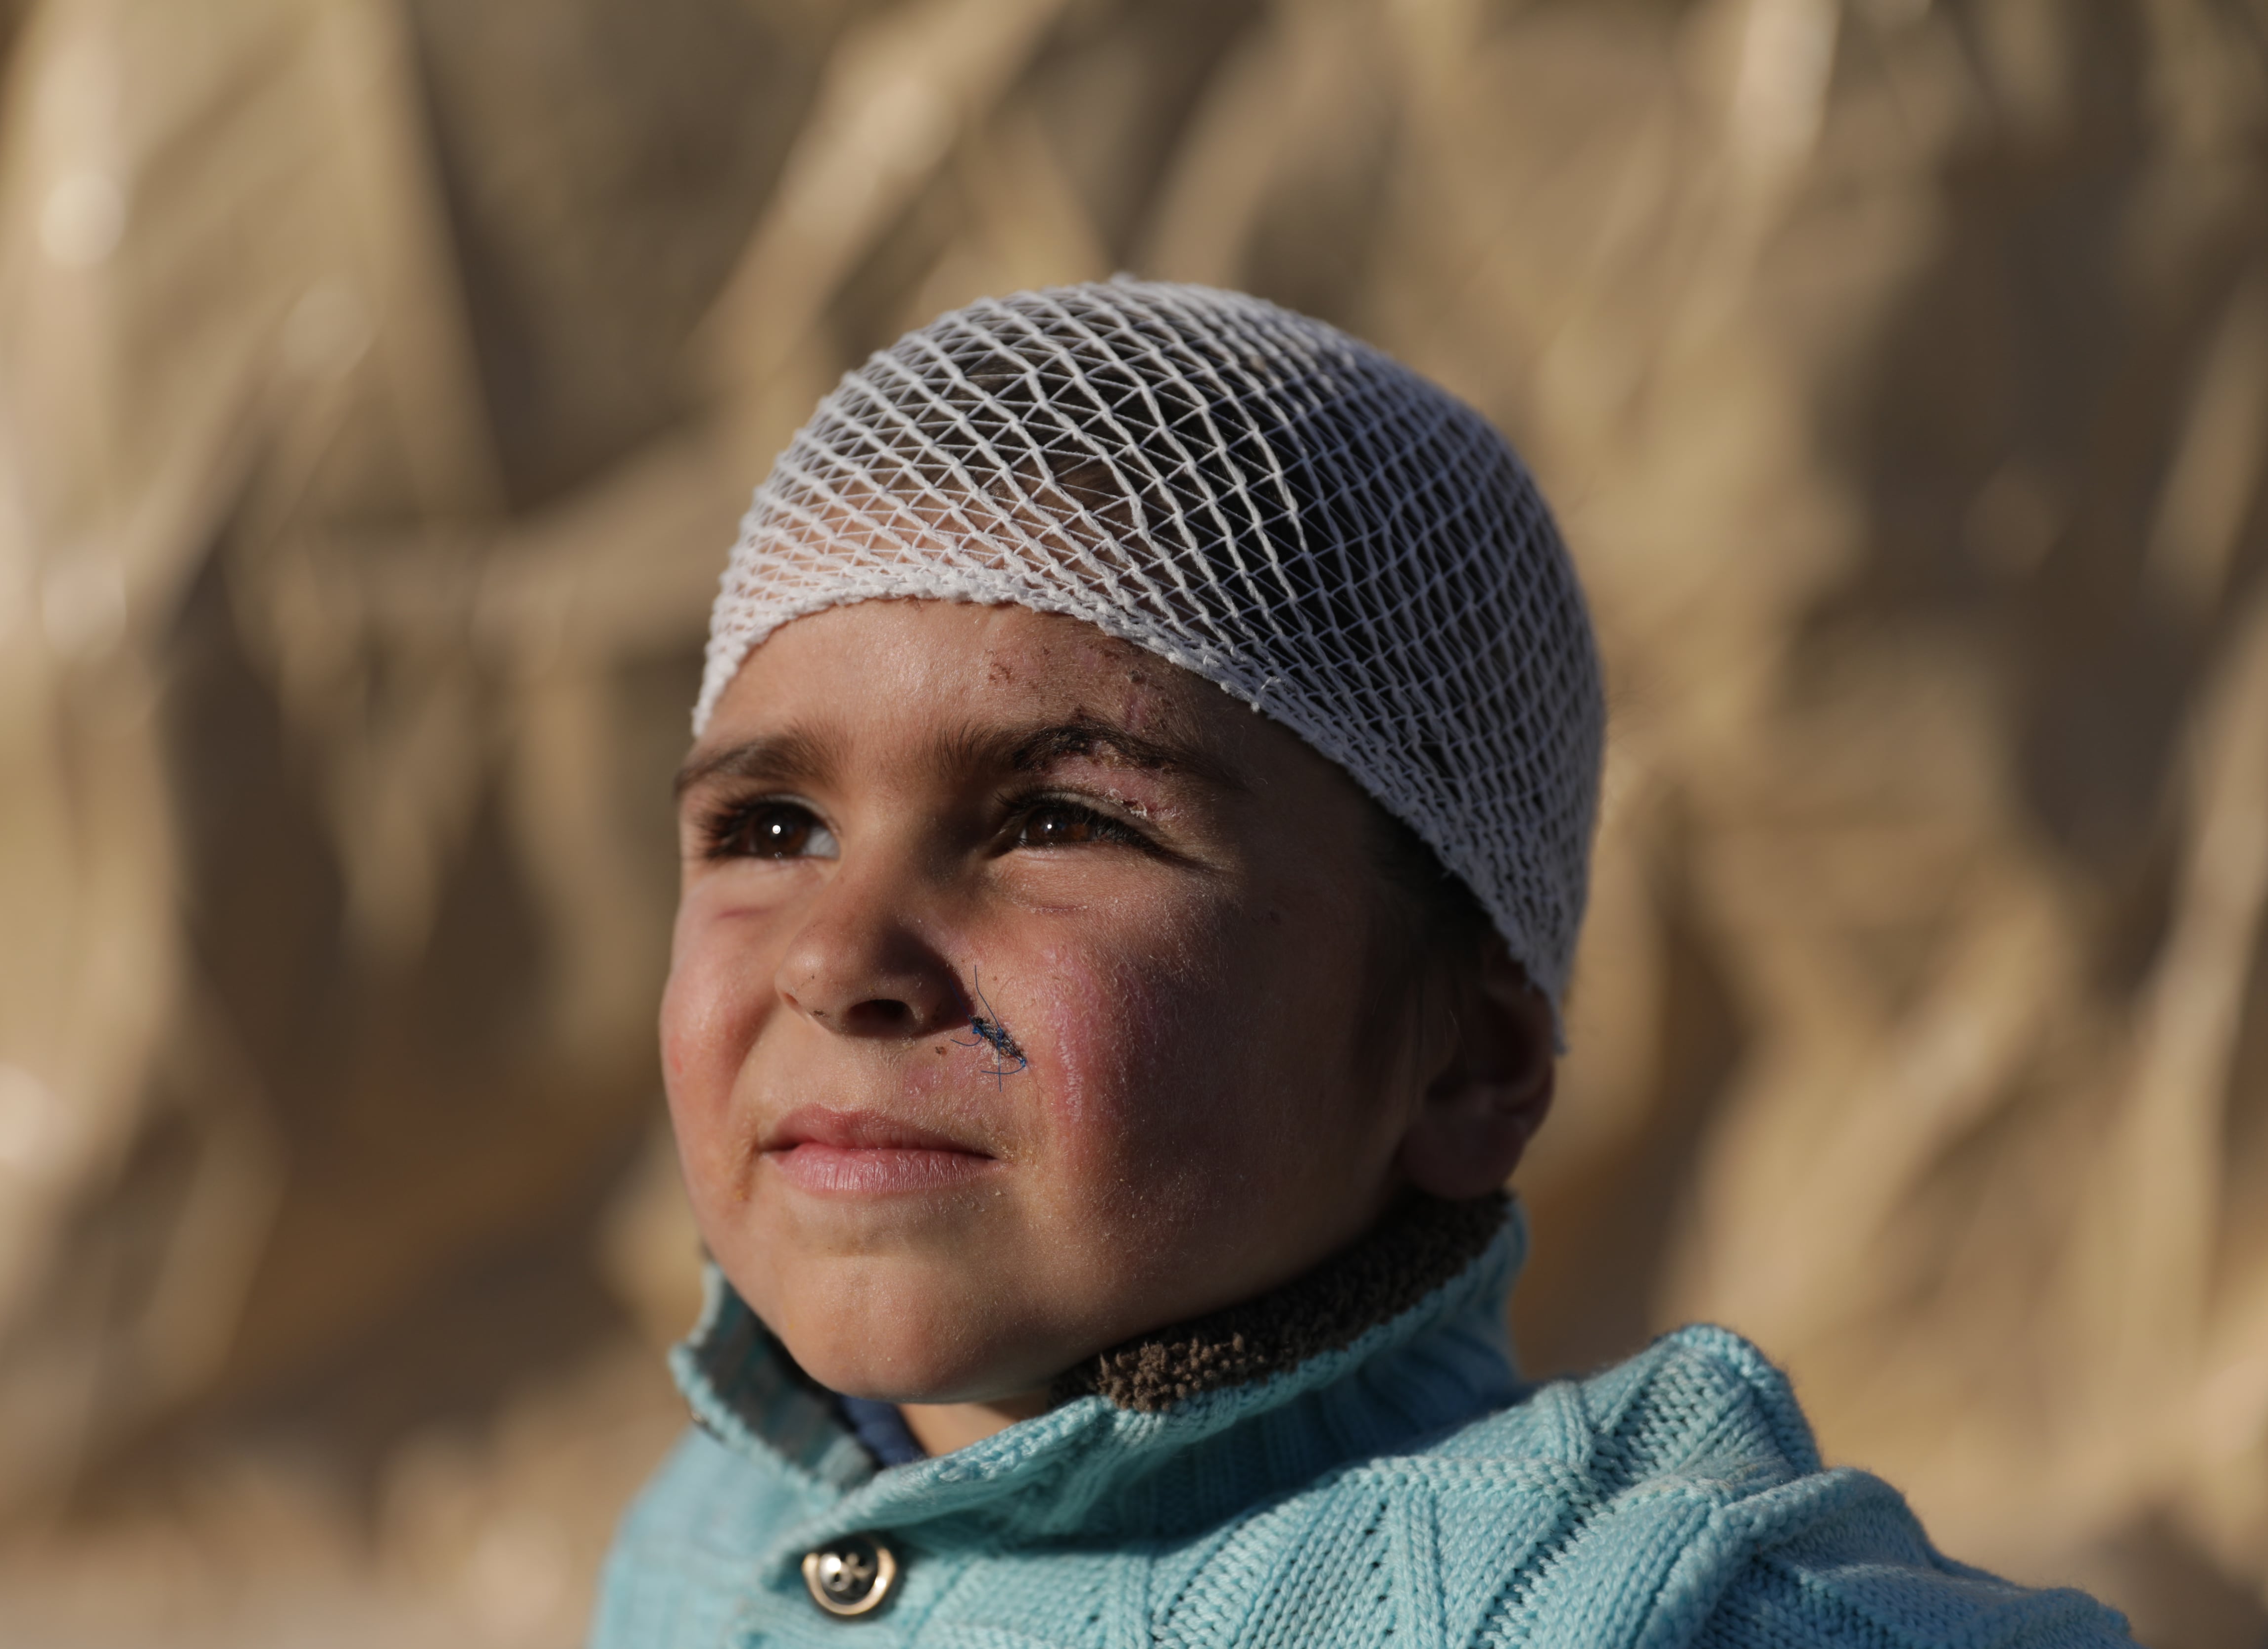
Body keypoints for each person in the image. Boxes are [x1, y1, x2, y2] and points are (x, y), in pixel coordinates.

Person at [589, 280, 2130, 1648]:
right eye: (773, 826)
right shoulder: (717, 1529)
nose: (841, 958)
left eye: (1055, 819)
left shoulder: (1641, 1603)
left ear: (1467, 1058)